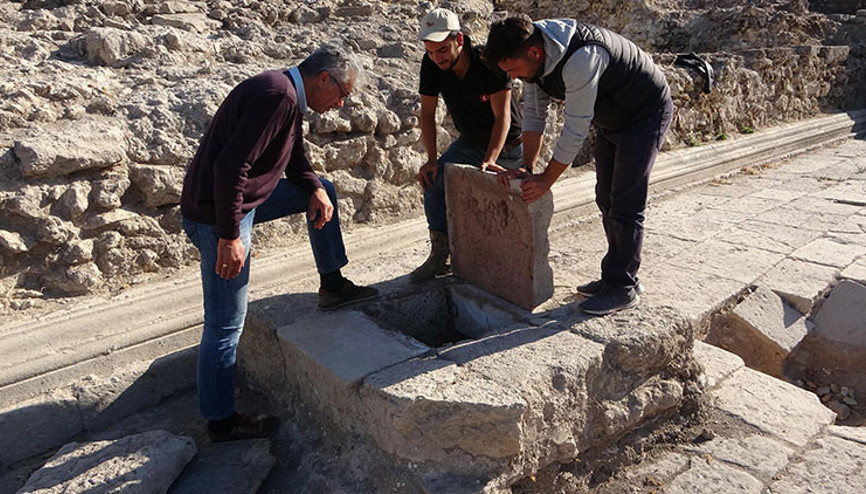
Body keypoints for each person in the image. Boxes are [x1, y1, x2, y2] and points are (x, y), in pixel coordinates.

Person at [180, 44, 379, 442]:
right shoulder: (277, 97)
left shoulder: (287, 94)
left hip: (239, 204)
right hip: (218, 213)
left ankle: (333, 285)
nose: (340, 104)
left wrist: (313, 188)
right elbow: (230, 168)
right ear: (324, 79)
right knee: (225, 322)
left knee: (324, 189)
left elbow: (293, 155)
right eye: (342, 93)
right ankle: (221, 422)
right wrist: (229, 236)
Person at [484, 16, 674, 316]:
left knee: (626, 202)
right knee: (605, 197)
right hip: (612, 117)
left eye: (514, 70)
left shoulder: (581, 58)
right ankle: (616, 275)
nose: (514, 77)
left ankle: (622, 286)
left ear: (534, 53)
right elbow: (534, 115)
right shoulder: (536, 59)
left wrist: (547, 179)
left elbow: (575, 129)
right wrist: (528, 168)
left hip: (645, 114)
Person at [411, 7, 524, 282]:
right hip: (470, 143)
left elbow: (503, 118)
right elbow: (427, 114)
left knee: (504, 203)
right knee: (433, 180)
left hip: (506, 147)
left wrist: (491, 158)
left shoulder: (488, 62)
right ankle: (442, 254)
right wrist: (431, 159)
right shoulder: (431, 64)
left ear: (459, 39)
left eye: (442, 50)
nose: (437, 57)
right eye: (430, 52)